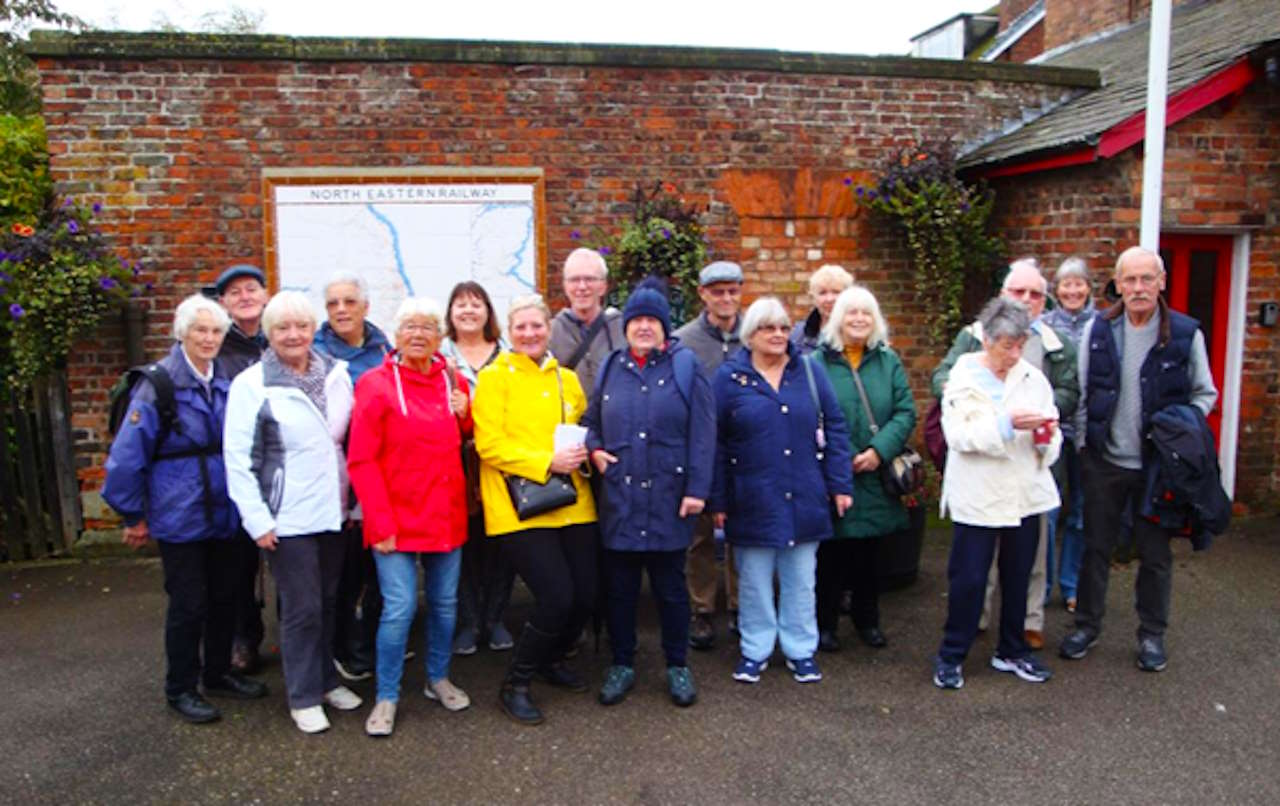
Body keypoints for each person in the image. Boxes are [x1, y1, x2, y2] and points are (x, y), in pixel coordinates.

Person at [102, 294, 269, 723]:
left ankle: (216, 674)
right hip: (180, 511)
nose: (209, 338)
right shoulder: (157, 384)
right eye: (200, 330)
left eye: (216, 331)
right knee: (188, 604)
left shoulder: (228, 377)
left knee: (226, 598)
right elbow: (126, 456)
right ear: (182, 334)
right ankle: (180, 687)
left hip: (225, 509)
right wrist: (132, 514)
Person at [1060, 247, 1217, 673]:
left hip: (1156, 469)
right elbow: (1083, 393)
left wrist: (1180, 433)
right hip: (1104, 462)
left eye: (1147, 279)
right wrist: (1081, 447)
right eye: (1130, 280)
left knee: (1155, 556)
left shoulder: (1185, 333)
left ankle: (1151, 635)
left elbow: (1206, 393)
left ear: (1161, 282)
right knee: (1095, 548)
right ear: (1118, 283)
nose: (1139, 288)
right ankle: (1086, 627)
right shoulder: (1099, 328)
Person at [223, 291, 361, 734]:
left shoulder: (336, 375)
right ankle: (302, 695)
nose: (293, 335)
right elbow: (238, 458)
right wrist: (258, 520)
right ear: (268, 334)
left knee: (327, 602)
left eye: (301, 326)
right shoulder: (252, 384)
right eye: (282, 328)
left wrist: (354, 502)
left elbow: (348, 442)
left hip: (334, 509)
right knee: (301, 608)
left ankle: (324, 681)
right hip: (286, 515)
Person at [931, 258, 1078, 650]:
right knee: (970, 577)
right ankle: (953, 652)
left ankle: (1012, 651)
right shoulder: (962, 376)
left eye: (1021, 345)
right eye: (1007, 346)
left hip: (1025, 494)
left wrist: (1046, 438)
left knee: (1019, 576)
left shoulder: (1034, 378)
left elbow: (1053, 429)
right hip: (978, 494)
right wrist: (1006, 424)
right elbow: (959, 435)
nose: (1015, 354)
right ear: (986, 339)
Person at [582, 279, 716, 708]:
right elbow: (591, 421)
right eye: (636, 319)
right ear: (626, 326)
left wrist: (698, 489)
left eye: (651, 320)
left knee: (671, 589)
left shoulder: (686, 366)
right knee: (619, 590)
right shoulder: (610, 366)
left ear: (664, 326)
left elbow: (703, 432)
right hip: (620, 499)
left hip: (668, 497)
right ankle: (622, 663)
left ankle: (677, 664)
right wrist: (594, 449)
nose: (643, 327)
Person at [710, 297, 853, 685]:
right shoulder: (728, 378)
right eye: (766, 328)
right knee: (754, 579)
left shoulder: (808, 371)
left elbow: (836, 428)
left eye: (781, 327)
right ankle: (755, 649)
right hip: (750, 497)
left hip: (805, 491)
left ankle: (799, 649)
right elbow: (716, 443)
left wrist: (839, 483)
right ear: (750, 336)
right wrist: (718, 499)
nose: (777, 335)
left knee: (801, 578)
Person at [348, 298, 473, 737]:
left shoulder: (452, 381)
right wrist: (379, 524)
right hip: (395, 521)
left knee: (443, 605)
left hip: (445, 512)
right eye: (409, 327)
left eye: (427, 327)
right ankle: (387, 695)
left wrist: (467, 415)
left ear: (439, 337)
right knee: (399, 609)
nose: (418, 334)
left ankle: (438, 677)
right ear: (396, 336)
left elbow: (466, 439)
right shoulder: (375, 384)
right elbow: (361, 460)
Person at [473, 294, 599, 725]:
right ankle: (516, 682)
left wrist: (587, 452)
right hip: (519, 505)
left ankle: (552, 657)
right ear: (509, 330)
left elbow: (581, 430)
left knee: (586, 593)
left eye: (537, 326)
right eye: (521, 326)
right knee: (556, 596)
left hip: (574, 500)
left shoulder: (568, 378)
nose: (529, 334)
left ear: (549, 328)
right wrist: (546, 462)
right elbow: (488, 444)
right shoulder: (494, 378)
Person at [811, 286, 917, 652]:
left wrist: (878, 450)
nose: (859, 319)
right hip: (833, 474)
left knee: (870, 557)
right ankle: (824, 625)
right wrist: (841, 457)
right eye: (852, 312)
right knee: (830, 556)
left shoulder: (888, 361)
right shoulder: (816, 365)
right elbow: (809, 415)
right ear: (838, 317)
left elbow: (906, 411)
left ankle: (867, 620)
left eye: (866, 313)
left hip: (874, 474)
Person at [313, 272, 392, 683]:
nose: (341, 310)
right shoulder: (316, 352)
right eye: (332, 304)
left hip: (383, 473)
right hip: (341, 475)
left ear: (365, 307)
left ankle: (375, 644)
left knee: (380, 568)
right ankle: (345, 648)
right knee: (345, 572)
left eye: (348, 302)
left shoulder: (385, 348)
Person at [439, 281, 516, 656]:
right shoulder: (439, 356)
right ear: (450, 313)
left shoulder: (509, 355)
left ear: (488, 311)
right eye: (460, 304)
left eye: (476, 304)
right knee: (464, 543)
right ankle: (469, 621)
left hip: (501, 463)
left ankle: (496, 617)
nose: (468, 311)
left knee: (502, 543)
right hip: (454, 463)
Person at [672, 260, 744, 649]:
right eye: (718, 291)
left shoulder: (756, 333)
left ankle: (738, 605)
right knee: (699, 535)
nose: (726, 298)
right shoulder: (683, 341)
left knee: (741, 533)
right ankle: (702, 608)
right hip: (699, 448)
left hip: (745, 449)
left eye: (732, 290)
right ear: (703, 295)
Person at [213, 263, 270, 674]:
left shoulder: (283, 335)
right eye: (235, 293)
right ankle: (243, 639)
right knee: (238, 566)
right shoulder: (217, 347)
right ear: (223, 303)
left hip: (284, 465)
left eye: (252, 288)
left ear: (266, 295)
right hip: (240, 465)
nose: (245, 296)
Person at [1040, 257, 1096, 613]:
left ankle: (1072, 584)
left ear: (1089, 287)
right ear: (1055, 289)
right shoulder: (1044, 327)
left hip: (1087, 433)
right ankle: (1041, 586)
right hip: (1052, 431)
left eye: (1079, 283)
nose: (1072, 290)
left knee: (1081, 512)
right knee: (1048, 509)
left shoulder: (1103, 325)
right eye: (1065, 284)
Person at [549, 247, 624, 395]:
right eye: (574, 280)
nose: (582, 287)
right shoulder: (550, 333)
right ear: (565, 286)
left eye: (590, 279)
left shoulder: (622, 329)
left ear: (603, 286)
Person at [790, 264, 854, 354]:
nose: (829, 299)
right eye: (822, 293)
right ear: (813, 298)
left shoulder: (858, 332)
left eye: (836, 292)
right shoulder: (799, 335)